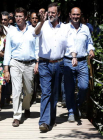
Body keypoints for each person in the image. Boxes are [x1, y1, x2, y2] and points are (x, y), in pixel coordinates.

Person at [33, 2, 77, 132]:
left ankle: (51, 118)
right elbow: (35, 33)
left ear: (58, 14)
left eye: (53, 12)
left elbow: (71, 45)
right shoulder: (43, 25)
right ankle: (44, 122)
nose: (50, 14)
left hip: (59, 64)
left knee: (54, 93)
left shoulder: (65, 28)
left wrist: (74, 56)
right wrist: (41, 22)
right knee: (46, 92)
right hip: (44, 63)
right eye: (49, 12)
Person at [4, 7, 39, 127]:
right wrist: (6, 69)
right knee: (17, 90)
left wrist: (37, 62)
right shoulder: (11, 32)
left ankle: (26, 106)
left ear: (25, 17)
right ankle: (17, 116)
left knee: (29, 91)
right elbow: (7, 51)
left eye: (20, 16)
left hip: (30, 63)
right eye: (16, 16)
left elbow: (37, 48)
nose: (18, 18)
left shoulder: (33, 31)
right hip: (15, 63)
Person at [64, 7, 95, 122]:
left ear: (80, 15)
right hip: (68, 61)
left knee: (84, 86)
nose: (76, 17)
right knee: (69, 88)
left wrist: (91, 50)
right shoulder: (65, 28)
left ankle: (76, 104)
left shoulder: (86, 28)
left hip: (82, 61)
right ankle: (71, 111)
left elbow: (89, 43)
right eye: (74, 14)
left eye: (78, 15)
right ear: (70, 15)